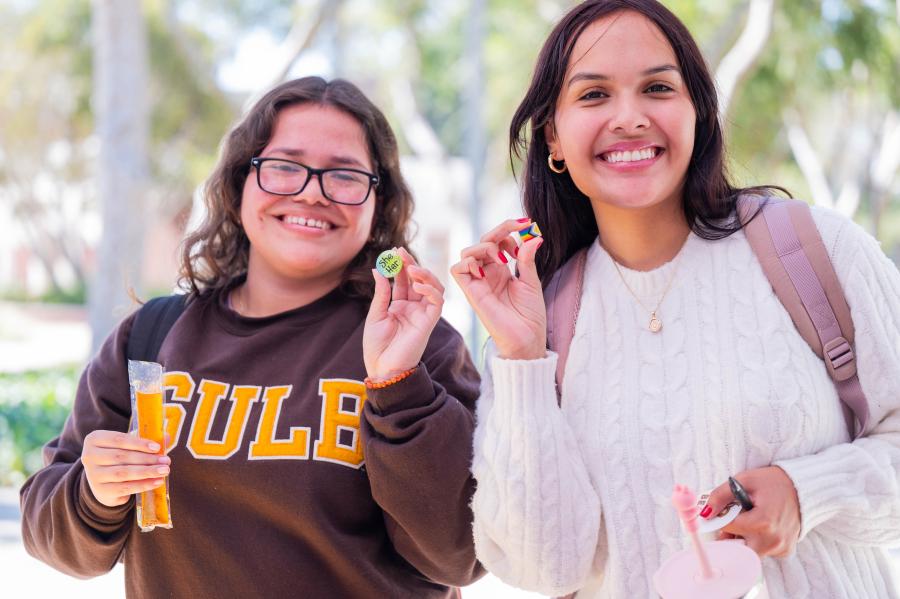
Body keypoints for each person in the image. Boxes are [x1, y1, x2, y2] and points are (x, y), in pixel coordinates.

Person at [452, 1, 900, 597]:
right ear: (553, 138)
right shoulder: (543, 321)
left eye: (658, 87)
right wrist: (522, 357)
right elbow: (545, 568)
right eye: (593, 95)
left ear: (698, 115)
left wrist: (807, 492)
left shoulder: (814, 249)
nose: (629, 117)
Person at [20, 76, 484, 598]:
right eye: (285, 167)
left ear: (379, 200)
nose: (312, 191)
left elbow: (461, 553)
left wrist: (399, 386)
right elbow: (49, 534)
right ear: (241, 182)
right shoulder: (151, 336)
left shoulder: (417, 344)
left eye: (345, 175)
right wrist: (93, 492)